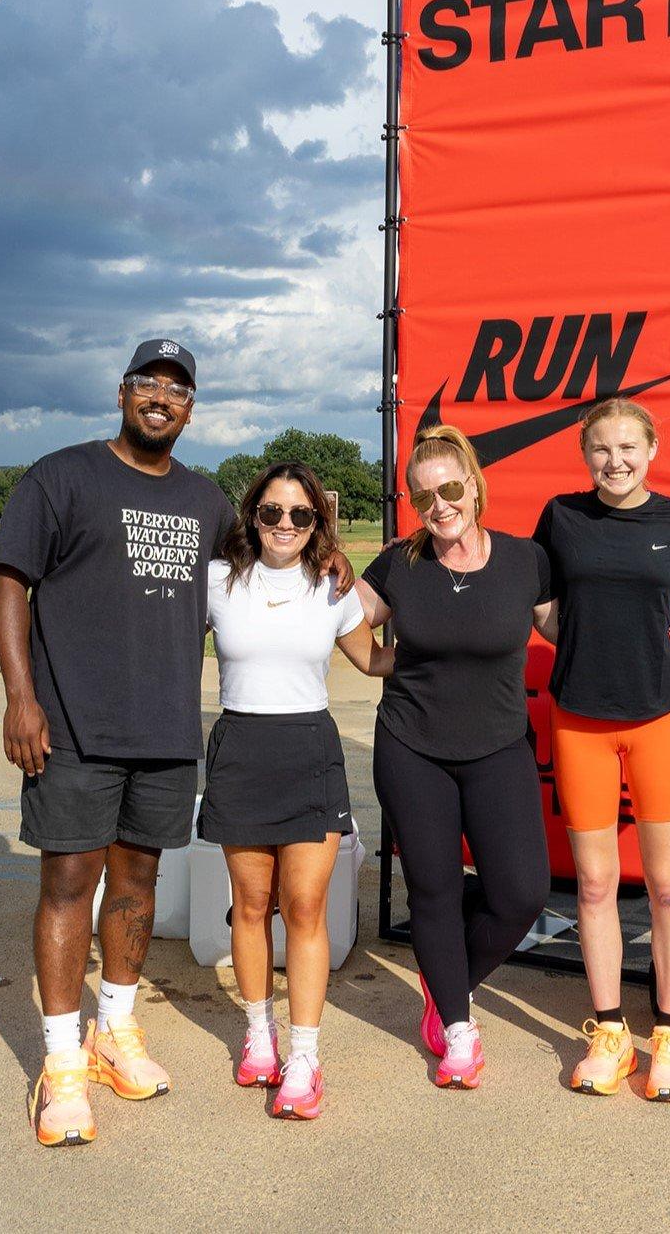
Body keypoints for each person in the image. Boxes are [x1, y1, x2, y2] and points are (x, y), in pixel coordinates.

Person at [0, 338, 353, 1146]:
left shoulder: (206, 502)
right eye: (148, 382)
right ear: (123, 393)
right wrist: (21, 697)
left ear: (191, 408)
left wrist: (335, 558)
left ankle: (115, 1031)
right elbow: (10, 578)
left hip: (162, 732)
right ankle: (62, 1064)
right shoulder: (61, 476)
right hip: (73, 724)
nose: (161, 396)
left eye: (177, 388)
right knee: (67, 886)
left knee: (137, 887)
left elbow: (269, 558)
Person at [356, 426, 553, 1089]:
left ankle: (443, 992)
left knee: (520, 894)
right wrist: (373, 658)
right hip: (412, 747)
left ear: (473, 485)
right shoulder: (398, 565)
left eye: (448, 488)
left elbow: (572, 627)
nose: (438, 505)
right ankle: (457, 1030)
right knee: (434, 892)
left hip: (498, 747)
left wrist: (667, 625)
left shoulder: (525, 561)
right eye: (423, 496)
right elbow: (341, 616)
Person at [201, 461, 392, 1121]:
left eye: (300, 514)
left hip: (309, 750)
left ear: (317, 524)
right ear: (252, 515)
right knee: (250, 906)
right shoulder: (218, 582)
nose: (284, 524)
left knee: (305, 906)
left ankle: (305, 1056)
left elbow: (372, 659)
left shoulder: (332, 588)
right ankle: (260, 1034)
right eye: (272, 511)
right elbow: (157, 645)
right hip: (240, 750)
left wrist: (454, 641)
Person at [533, 398, 670, 1102]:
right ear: (584, 454)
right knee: (596, 886)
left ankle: (668, 1037)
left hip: (660, 718)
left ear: (652, 448)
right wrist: (583, 646)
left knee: (666, 887)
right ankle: (608, 1033)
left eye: (628, 447)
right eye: (601, 449)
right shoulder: (561, 517)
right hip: (579, 722)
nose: (615, 461)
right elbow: (543, 611)